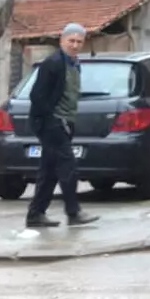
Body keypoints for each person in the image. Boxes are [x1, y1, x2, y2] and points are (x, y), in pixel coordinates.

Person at [26, 23, 99, 229]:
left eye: (79, 42)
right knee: (68, 167)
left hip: (65, 122)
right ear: (62, 41)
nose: (75, 45)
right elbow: (37, 96)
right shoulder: (53, 63)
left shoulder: (74, 63)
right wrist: (51, 119)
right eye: (71, 41)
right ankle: (74, 212)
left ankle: (36, 215)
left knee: (48, 171)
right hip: (53, 124)